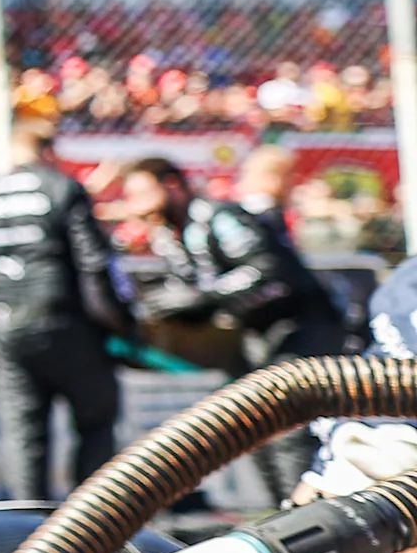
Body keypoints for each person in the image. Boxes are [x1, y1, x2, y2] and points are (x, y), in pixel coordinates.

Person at [117, 146, 358, 498]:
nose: (136, 206)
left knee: (288, 423)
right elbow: (205, 295)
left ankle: (308, 518)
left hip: (304, 328)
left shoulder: (217, 216)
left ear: (172, 185)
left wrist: (205, 296)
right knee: (252, 422)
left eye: (141, 194)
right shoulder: (168, 234)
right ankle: (283, 512)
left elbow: (270, 270)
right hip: (260, 336)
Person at [0, 114, 136, 503]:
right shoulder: (61, 188)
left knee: (23, 437)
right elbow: (96, 264)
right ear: (47, 152)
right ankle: (94, 524)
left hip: (5, 334)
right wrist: (121, 326)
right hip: (67, 326)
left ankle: (30, 539)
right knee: (96, 424)